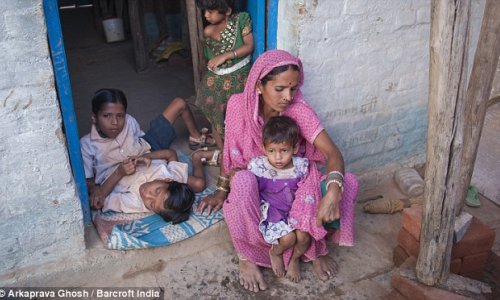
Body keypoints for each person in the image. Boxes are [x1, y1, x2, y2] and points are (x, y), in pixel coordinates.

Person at [198, 50, 358, 292]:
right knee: (241, 182)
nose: (288, 96)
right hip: (260, 187)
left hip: (294, 184)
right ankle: (249, 256)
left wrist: (333, 193)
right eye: (280, 89)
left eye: (293, 89)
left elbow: (333, 154)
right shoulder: (238, 106)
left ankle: (313, 248)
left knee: (348, 182)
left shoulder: (298, 110)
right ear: (259, 85)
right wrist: (221, 189)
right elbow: (231, 152)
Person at [81, 88, 213, 210]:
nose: (115, 122)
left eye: (120, 116)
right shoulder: (87, 145)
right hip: (118, 176)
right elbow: (88, 181)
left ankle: (195, 136)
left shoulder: (129, 121)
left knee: (179, 103)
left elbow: (141, 139)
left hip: (148, 150)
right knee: (197, 184)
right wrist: (95, 189)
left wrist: (146, 157)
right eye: (107, 116)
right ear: (94, 118)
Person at [248, 115, 310, 282]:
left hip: (294, 209)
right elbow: (248, 190)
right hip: (272, 211)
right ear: (264, 148)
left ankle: (295, 259)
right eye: (271, 151)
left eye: (284, 151)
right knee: (289, 238)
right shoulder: (258, 167)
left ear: (295, 148)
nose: (277, 158)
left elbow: (307, 190)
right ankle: (276, 252)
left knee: (304, 237)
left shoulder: (301, 167)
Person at [193, 0, 254, 165]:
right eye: (205, 11)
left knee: (238, 118)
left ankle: (239, 155)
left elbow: (249, 46)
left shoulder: (241, 20)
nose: (206, 15)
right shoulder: (208, 31)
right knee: (216, 118)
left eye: (211, 11)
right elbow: (210, 57)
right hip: (217, 80)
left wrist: (226, 55)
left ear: (226, 11)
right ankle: (224, 156)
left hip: (239, 78)